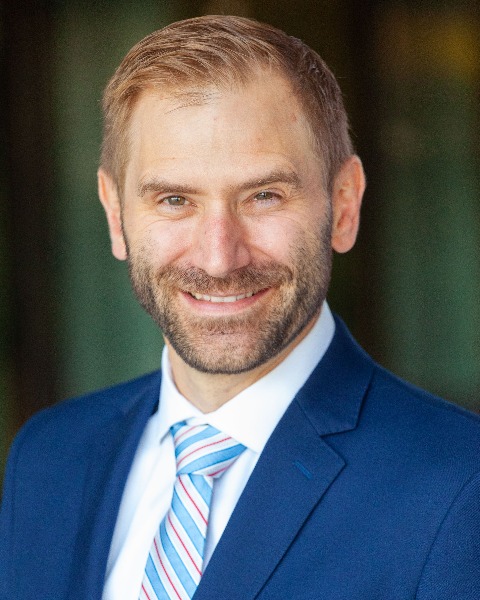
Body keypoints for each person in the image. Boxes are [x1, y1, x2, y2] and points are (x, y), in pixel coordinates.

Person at [1, 15, 479, 600]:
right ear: (115, 214)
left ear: (344, 205)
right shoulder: (48, 458)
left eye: (264, 196)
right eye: (174, 200)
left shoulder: (459, 488)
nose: (219, 257)